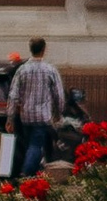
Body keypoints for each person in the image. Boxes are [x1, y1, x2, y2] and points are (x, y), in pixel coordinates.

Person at [7, 37, 66, 180]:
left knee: (30, 145)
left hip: (26, 116)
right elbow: (59, 94)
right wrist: (59, 112)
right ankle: (27, 173)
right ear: (44, 50)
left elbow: (14, 95)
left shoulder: (22, 70)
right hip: (43, 116)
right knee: (35, 145)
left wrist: (10, 117)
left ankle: (33, 171)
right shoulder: (50, 69)